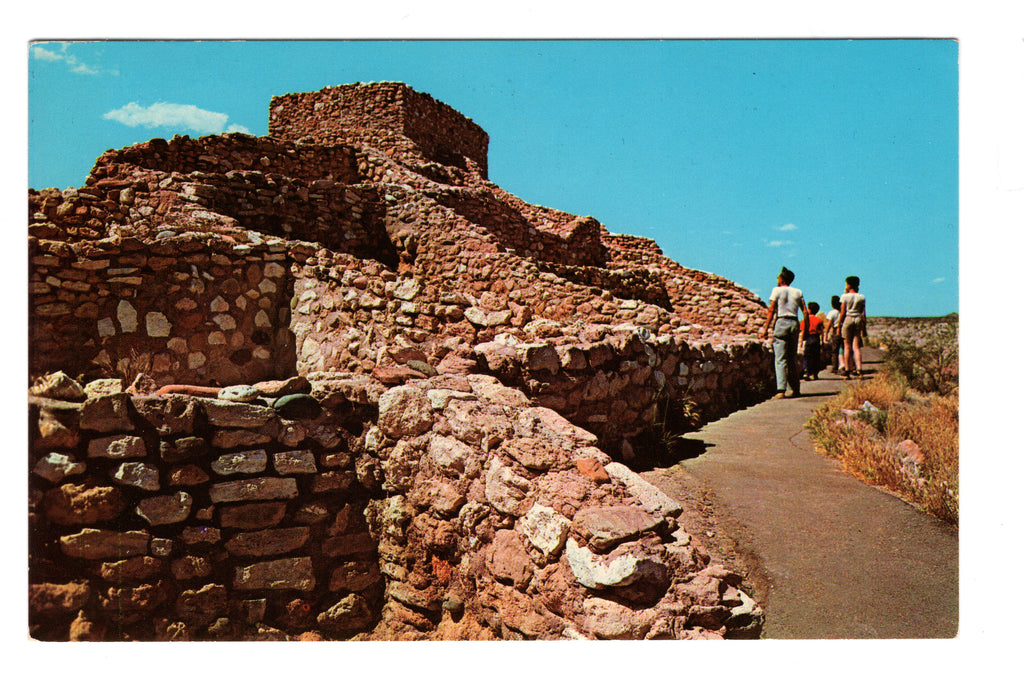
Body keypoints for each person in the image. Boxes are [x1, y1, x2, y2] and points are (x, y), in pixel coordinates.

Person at [762, 266, 808, 399]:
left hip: (781, 322)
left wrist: (766, 328)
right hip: (794, 322)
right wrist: (806, 328)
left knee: (780, 358)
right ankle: (795, 389)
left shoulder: (776, 290)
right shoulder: (798, 291)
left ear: (781, 279)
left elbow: (771, 309)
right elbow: (804, 311)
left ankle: (781, 390)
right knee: (792, 358)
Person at [837, 275, 868, 378]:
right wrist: (864, 328)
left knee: (847, 346)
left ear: (849, 285)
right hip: (858, 319)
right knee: (856, 346)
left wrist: (838, 326)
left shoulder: (844, 296)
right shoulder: (862, 297)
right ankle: (859, 369)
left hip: (848, 318)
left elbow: (842, 312)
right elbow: (863, 313)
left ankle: (847, 369)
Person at [822, 295, 845, 375]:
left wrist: (826, 334)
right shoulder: (842, 312)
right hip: (843, 330)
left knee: (834, 350)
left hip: (835, 331)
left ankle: (835, 367)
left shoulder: (832, 313)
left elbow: (829, 324)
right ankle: (847, 366)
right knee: (844, 349)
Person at [802, 301, 824, 381]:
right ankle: (815, 374)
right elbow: (821, 332)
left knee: (806, 356)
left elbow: (803, 331)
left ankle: (806, 372)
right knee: (816, 357)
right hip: (816, 338)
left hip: (808, 338)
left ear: (809, 310)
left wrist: (801, 341)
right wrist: (822, 341)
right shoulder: (819, 320)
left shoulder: (805, 320)